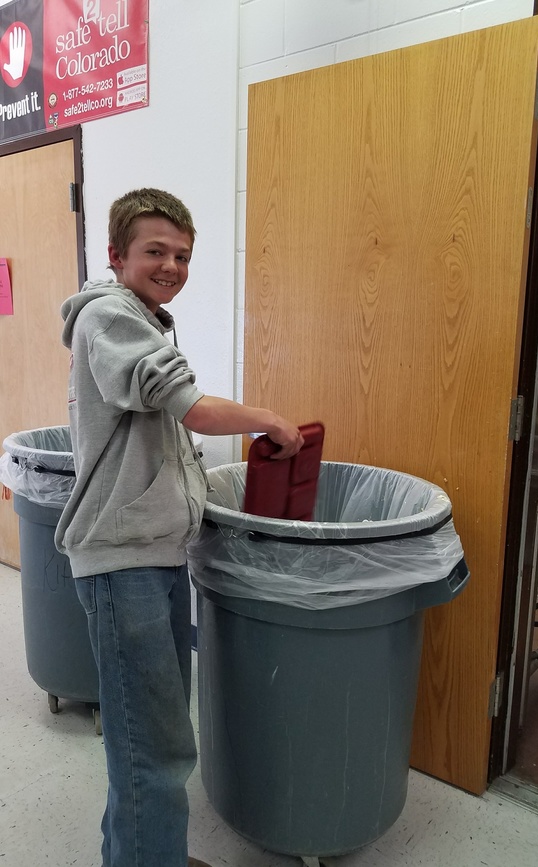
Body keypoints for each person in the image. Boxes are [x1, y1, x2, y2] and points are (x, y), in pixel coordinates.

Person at [54, 188, 304, 867]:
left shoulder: (142, 319)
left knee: (150, 736)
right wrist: (270, 419)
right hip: (121, 561)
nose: (172, 266)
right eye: (155, 251)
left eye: (183, 255)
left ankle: (143, 851)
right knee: (153, 748)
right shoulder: (109, 316)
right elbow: (189, 408)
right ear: (116, 255)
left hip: (154, 553)